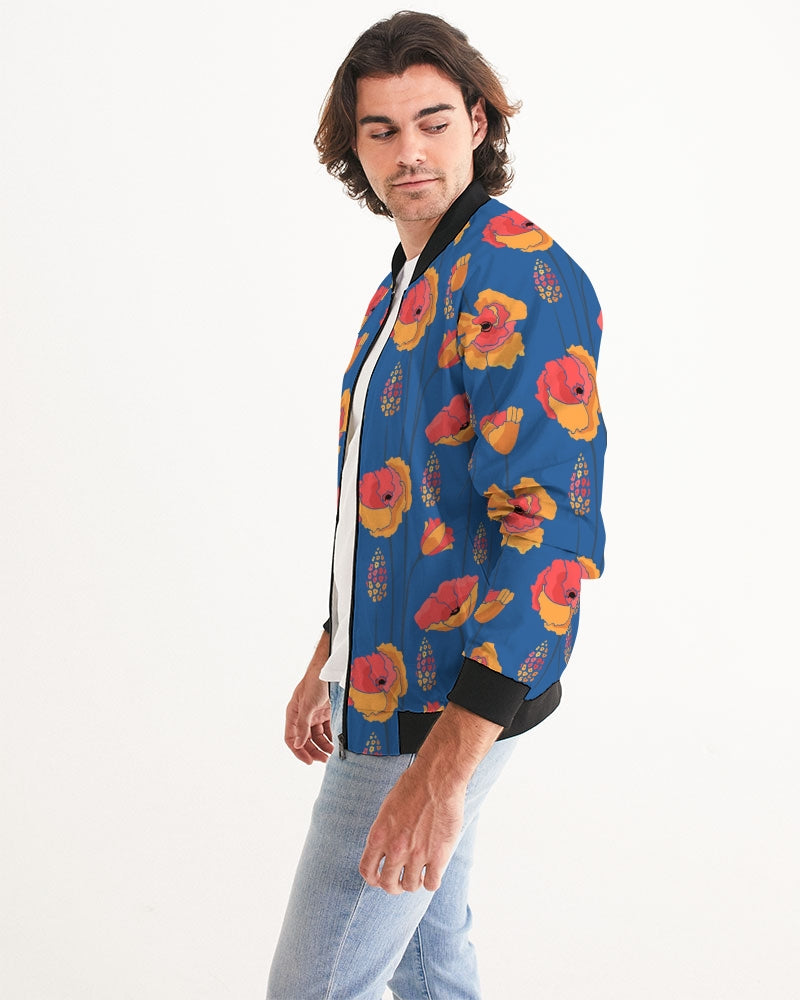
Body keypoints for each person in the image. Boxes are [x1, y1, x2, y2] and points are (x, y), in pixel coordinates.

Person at [267, 11, 606, 999]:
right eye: (381, 130)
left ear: (478, 123)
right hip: (385, 675)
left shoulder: (513, 275)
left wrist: (445, 767)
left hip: (438, 698)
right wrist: (332, 647)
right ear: (355, 147)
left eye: (432, 122)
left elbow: (548, 526)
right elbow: (396, 494)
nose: (408, 151)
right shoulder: (408, 281)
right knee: (429, 963)